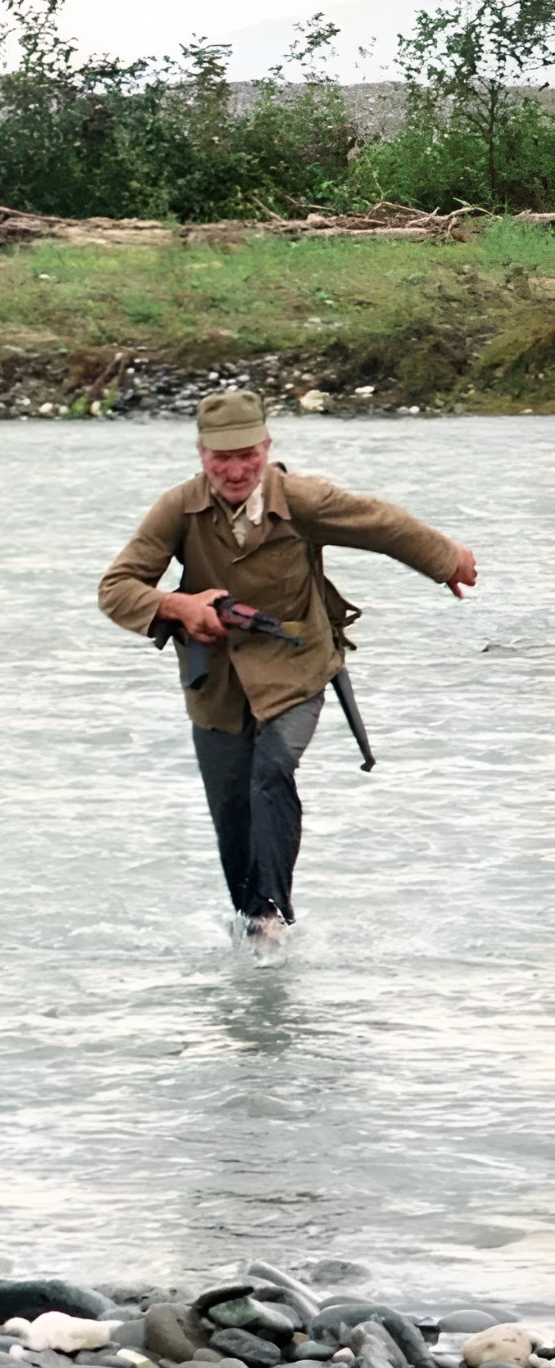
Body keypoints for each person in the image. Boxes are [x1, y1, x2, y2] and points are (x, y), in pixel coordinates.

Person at [98, 390, 479, 954]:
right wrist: (180, 607)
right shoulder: (178, 508)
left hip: (298, 669)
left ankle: (272, 913)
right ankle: (252, 924)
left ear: (267, 446)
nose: (234, 469)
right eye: (220, 457)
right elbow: (116, 587)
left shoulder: (302, 499)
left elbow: (380, 523)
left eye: (246, 454)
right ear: (201, 454)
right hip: (218, 687)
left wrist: (446, 559)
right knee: (231, 814)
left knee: (272, 772)